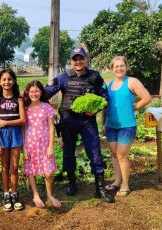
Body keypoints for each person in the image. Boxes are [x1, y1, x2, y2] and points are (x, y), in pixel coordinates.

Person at [45, 47, 114, 203]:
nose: (78, 62)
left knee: (95, 152)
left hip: (87, 121)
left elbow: (105, 97)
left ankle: (100, 188)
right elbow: (47, 91)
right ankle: (72, 182)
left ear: (86, 59)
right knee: (68, 153)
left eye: (81, 58)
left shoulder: (95, 76)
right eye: (75, 59)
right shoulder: (63, 77)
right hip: (68, 120)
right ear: (71, 61)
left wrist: (95, 109)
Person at [102, 56, 152, 197]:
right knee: (114, 154)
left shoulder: (132, 82)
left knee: (122, 155)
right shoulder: (109, 84)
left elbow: (147, 97)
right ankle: (117, 181)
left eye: (122, 66)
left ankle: (125, 185)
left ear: (126, 67)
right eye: (116, 66)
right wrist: (103, 123)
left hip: (127, 125)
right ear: (111, 69)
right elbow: (105, 106)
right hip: (111, 125)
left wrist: (134, 107)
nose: (119, 68)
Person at [23, 80, 61, 208]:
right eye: (32, 91)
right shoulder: (25, 109)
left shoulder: (47, 107)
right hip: (30, 143)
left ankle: (50, 195)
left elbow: (51, 127)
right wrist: (24, 147)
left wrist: (51, 146)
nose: (34, 93)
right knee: (31, 171)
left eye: (37, 91)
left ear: (41, 92)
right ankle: (35, 195)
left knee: (48, 173)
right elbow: (23, 128)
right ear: (28, 92)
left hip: (45, 144)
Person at [0, 69, 25, 212]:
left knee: (15, 166)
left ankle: (15, 193)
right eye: (4, 79)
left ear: (14, 81)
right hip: (2, 136)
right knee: (5, 167)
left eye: (9, 79)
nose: (7, 82)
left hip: (16, 134)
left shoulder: (19, 99)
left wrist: (5, 122)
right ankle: (6, 194)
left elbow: (23, 120)